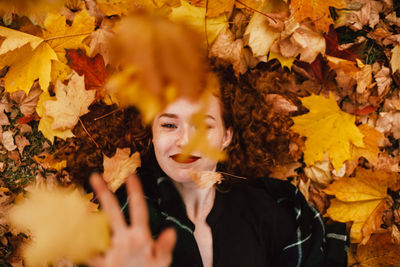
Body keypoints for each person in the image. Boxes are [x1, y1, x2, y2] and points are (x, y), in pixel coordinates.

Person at [88, 71, 348, 267]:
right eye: (169, 125)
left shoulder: (263, 212)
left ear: (226, 137)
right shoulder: (124, 218)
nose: (185, 141)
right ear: (152, 135)